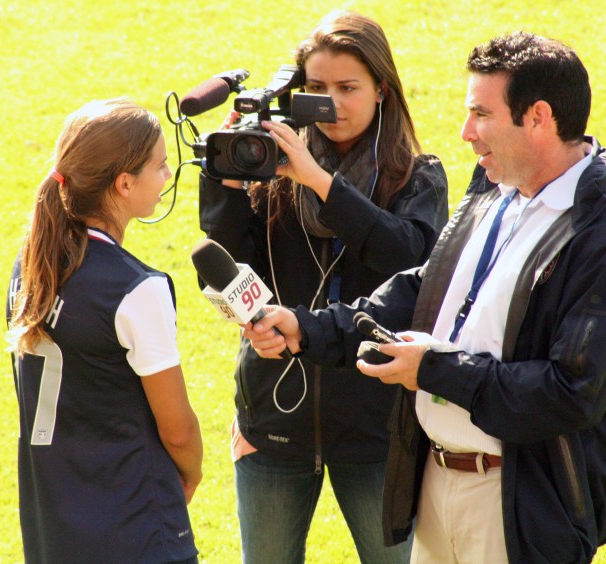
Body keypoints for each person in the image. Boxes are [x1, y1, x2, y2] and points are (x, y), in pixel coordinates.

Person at [243, 32, 606, 563]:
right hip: (436, 485)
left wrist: (435, 369)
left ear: (538, 118)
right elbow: (428, 287)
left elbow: (570, 392)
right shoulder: (494, 187)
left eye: (481, 115)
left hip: (517, 506)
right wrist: (309, 329)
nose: (466, 132)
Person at [198, 10, 448, 563]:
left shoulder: (418, 176)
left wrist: (316, 177)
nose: (330, 102)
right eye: (315, 88)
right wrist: (227, 188)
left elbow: (410, 262)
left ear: (382, 89)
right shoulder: (269, 170)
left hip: (376, 431)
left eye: (347, 87)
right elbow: (226, 272)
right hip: (273, 421)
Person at [6, 98, 203, 563]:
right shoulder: (137, 289)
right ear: (123, 183)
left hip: (54, 522)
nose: (169, 176)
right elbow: (178, 430)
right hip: (134, 522)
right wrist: (191, 473)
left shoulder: (30, 266)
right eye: (159, 166)